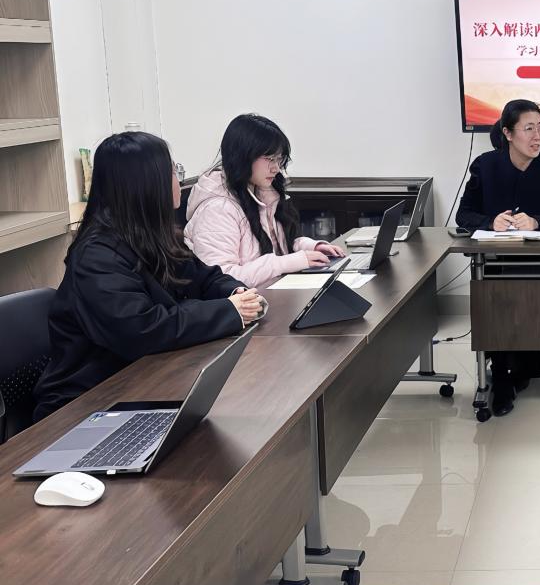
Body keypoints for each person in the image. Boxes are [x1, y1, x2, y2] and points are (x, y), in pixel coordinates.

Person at [33, 132, 262, 421]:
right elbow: (142, 329)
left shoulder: (153, 235)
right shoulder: (96, 256)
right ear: (146, 184)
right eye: (173, 172)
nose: (179, 181)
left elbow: (204, 278)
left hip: (144, 383)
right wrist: (228, 312)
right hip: (84, 407)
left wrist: (236, 293)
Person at [456, 99, 540, 417]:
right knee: (498, 305)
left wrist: (538, 222)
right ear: (508, 133)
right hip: (500, 266)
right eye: (529, 129)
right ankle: (501, 376)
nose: (538, 136)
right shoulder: (485, 166)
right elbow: (464, 215)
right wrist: (490, 223)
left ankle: (516, 370)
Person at [184, 113, 344, 288]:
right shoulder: (217, 209)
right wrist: (291, 262)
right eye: (269, 158)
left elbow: (280, 247)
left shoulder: (263, 191)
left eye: (279, 159)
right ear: (242, 156)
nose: (276, 168)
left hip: (272, 294)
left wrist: (311, 247)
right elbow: (222, 280)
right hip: (249, 302)